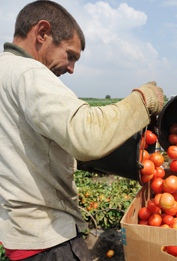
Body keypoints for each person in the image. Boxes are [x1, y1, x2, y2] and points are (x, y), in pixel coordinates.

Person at [0, 1, 164, 260]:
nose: (71, 68)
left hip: (20, 236)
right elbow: (87, 135)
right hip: (49, 240)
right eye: (70, 55)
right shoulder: (30, 73)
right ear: (42, 33)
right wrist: (142, 101)